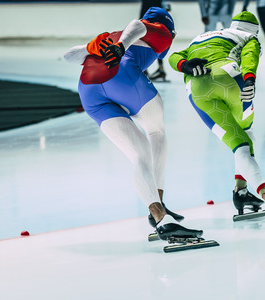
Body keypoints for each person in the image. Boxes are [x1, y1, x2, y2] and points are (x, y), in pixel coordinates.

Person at [63, 7, 202, 240]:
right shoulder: (163, 33)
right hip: (122, 76)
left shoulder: (108, 35)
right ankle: (160, 201)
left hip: (88, 91)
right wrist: (121, 47)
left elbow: (70, 56)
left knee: (140, 154)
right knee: (157, 131)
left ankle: (160, 217)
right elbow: (137, 25)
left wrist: (91, 47)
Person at [168, 11, 265, 219]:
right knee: (245, 136)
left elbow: (174, 57)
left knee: (236, 140)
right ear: (255, 30)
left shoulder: (202, 36)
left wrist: (184, 66)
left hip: (197, 89)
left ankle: (241, 192)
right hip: (232, 82)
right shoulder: (249, 37)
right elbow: (249, 57)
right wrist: (249, 80)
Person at [140, 0, 171, 81]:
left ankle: (145, 69)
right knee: (156, 39)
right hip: (155, 10)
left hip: (150, 11)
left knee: (146, 38)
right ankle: (159, 69)